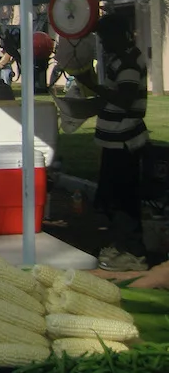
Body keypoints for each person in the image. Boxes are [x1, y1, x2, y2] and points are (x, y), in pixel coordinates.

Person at [79, 14, 150, 271]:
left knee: (123, 199)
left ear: (120, 35)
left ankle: (134, 253)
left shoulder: (129, 62)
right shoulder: (118, 59)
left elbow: (125, 99)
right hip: (114, 141)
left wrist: (92, 86)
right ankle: (122, 246)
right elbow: (113, 98)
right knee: (110, 198)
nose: (103, 43)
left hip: (125, 142)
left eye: (105, 38)